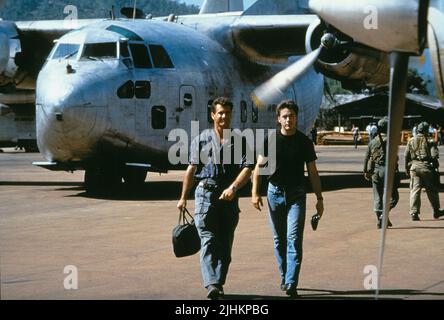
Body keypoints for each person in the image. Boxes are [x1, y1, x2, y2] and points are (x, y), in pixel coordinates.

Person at [177, 97, 254, 300]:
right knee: (208, 239)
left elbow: (248, 168)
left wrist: (234, 188)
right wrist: (183, 197)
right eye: (220, 112)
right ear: (213, 115)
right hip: (205, 194)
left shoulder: (239, 141)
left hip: (228, 196)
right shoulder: (201, 140)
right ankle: (212, 284)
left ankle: (218, 282)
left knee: (225, 242)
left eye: (227, 113)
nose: (224, 116)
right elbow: (192, 169)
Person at [251, 100, 324, 298]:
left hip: (297, 195)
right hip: (274, 193)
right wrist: (255, 193)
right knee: (279, 239)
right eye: (284, 116)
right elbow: (259, 168)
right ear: (278, 119)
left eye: (291, 116)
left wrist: (319, 198)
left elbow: (313, 172)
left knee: (294, 238)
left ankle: (291, 282)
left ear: (296, 118)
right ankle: (284, 276)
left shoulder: (304, 142)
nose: (288, 119)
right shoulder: (270, 140)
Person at [363, 117, 399, 229]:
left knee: (377, 195)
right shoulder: (391, 140)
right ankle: (384, 215)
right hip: (388, 170)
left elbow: (366, 157)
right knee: (394, 197)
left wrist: (366, 171)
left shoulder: (373, 141)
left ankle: (380, 217)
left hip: (376, 171)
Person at [405, 121, 444, 221]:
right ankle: (436, 210)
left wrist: (406, 168)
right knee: (431, 190)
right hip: (426, 167)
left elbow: (406, 156)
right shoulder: (430, 141)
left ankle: (414, 213)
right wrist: (435, 165)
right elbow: (434, 156)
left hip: (414, 167)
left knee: (415, 190)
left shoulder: (411, 140)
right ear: (426, 130)